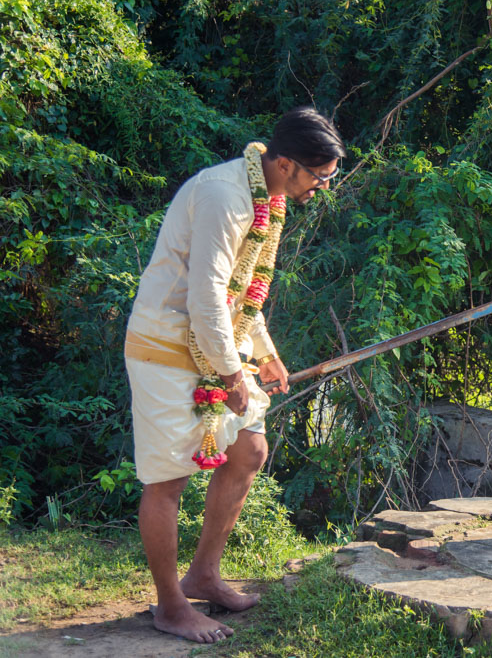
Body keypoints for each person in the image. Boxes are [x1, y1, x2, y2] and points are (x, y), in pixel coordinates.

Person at [124, 107, 346, 642]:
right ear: (287, 163)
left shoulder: (267, 197)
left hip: (216, 343)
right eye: (318, 178)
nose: (321, 188)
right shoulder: (226, 195)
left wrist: (264, 352)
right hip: (165, 347)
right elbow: (206, 295)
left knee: (248, 450)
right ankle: (170, 606)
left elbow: (241, 293)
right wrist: (230, 375)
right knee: (168, 479)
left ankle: (203, 575)